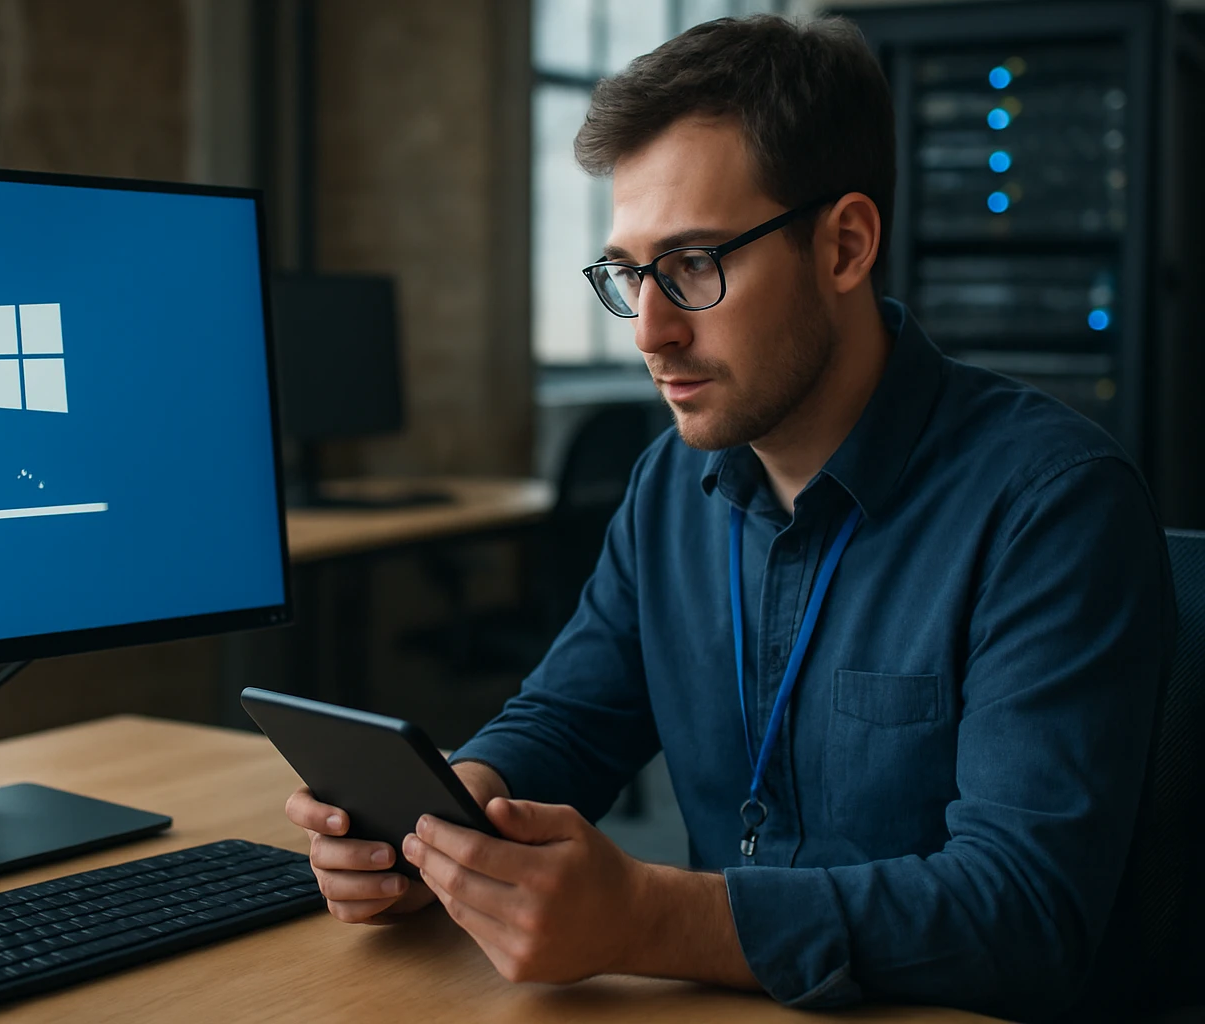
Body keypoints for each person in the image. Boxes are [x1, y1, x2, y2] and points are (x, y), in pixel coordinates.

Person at [283, 13, 1173, 1021]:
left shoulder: (1050, 506)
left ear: (844, 244)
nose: (652, 333)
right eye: (630, 274)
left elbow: (1022, 914)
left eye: (695, 264)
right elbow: (571, 716)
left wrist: (648, 919)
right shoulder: (671, 481)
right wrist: (435, 820)